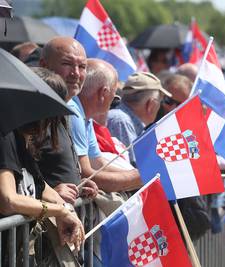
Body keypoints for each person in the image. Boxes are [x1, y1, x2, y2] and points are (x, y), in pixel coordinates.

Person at [0, 120, 85, 259]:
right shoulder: (5, 136)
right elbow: (8, 200)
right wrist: (60, 211)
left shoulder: (19, 139)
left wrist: (67, 210)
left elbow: (41, 187)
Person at [69, 59, 142, 193]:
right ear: (103, 93)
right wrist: (141, 176)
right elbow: (86, 174)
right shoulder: (74, 113)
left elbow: (98, 164)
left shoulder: (86, 116)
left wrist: (137, 174)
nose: (114, 103)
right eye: (115, 97)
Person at [31, 67, 98, 204]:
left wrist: (79, 185)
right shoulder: (26, 132)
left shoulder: (60, 121)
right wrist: (51, 193)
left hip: (65, 212)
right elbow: (18, 185)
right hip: (42, 218)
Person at [107, 72, 171, 165]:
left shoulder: (122, 119)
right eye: (159, 102)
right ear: (151, 105)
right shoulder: (121, 121)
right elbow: (134, 168)